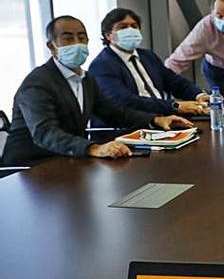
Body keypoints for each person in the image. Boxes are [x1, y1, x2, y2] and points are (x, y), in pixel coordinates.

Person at [0, 16, 193, 167]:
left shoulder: (86, 78)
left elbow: (114, 113)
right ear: (52, 46)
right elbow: (45, 133)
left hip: (69, 160)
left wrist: (156, 120)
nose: (77, 43)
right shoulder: (37, 84)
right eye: (68, 38)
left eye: (82, 37)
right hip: (31, 169)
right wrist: (93, 148)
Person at [89, 8, 209, 123]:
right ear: (108, 35)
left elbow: (174, 81)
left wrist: (198, 95)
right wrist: (174, 106)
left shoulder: (147, 56)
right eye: (123, 27)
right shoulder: (101, 65)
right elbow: (126, 101)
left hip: (164, 118)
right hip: (133, 125)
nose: (130, 30)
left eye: (134, 26)